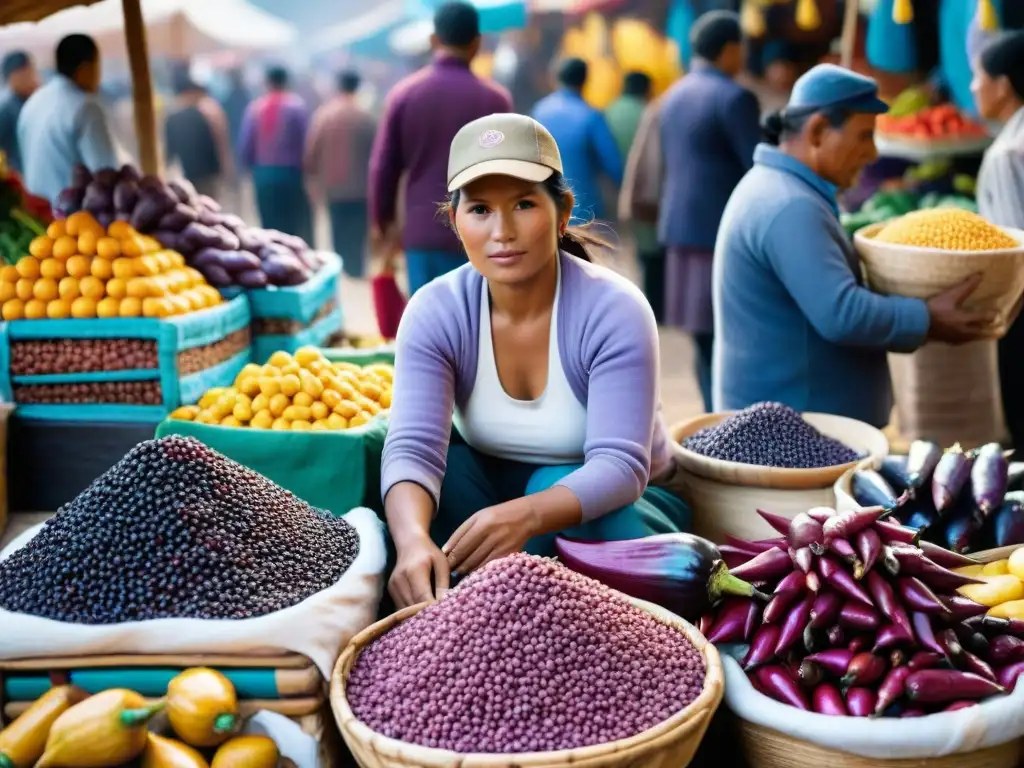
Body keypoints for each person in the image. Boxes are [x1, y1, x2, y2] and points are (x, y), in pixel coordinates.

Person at [381, 113, 690, 608]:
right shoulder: (435, 311)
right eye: (480, 210)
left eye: (524, 204)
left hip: (624, 510)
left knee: (551, 485)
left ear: (562, 210)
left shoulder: (612, 310)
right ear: (455, 222)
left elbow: (621, 466)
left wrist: (525, 516)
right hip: (500, 492)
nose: (502, 231)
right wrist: (412, 541)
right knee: (425, 493)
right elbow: (413, 447)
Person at [714, 64, 996, 428]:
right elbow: (841, 314)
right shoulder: (790, 205)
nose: (873, 152)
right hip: (796, 435)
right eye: (864, 136)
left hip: (800, 425)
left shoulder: (783, 190)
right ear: (817, 131)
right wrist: (927, 318)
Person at [369, 1, 512, 296]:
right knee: (479, 327)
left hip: (422, 232)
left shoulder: (405, 95)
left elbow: (383, 168)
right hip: (484, 233)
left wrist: (383, 223)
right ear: (477, 43)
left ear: (434, 40)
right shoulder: (496, 101)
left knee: (430, 327)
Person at [658, 11, 761, 413]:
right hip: (718, 231)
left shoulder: (674, 94)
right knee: (731, 335)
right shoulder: (734, 97)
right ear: (732, 50)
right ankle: (730, 420)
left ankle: (712, 417)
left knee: (703, 337)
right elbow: (759, 166)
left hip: (681, 229)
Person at [971, 31, 1024, 448]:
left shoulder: (1008, 153)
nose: (973, 87)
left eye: (978, 75)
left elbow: (1014, 251)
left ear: (1003, 85)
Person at [18, 35, 117, 204]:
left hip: (37, 219)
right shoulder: (86, 108)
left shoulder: (32, 103)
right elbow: (106, 175)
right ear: (85, 68)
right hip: (74, 223)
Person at [305, 69, 377, 278]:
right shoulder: (365, 117)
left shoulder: (323, 115)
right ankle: (356, 268)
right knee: (357, 230)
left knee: (338, 228)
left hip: (333, 188)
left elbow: (311, 153)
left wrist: (313, 181)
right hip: (361, 187)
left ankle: (344, 268)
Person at [531, 58, 623, 223]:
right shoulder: (591, 116)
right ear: (585, 80)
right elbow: (613, 164)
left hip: (544, 206)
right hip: (584, 210)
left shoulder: (539, 112)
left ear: (556, 78)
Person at [238, 66, 313, 244]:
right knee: (291, 226)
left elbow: (246, 145)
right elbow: (306, 143)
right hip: (291, 175)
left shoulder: (255, 108)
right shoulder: (297, 107)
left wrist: (246, 170)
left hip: (263, 176)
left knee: (269, 227)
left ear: (267, 82)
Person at [164, 70, 232, 199]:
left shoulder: (172, 118)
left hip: (186, 174)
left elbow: (169, 151)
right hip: (207, 174)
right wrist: (224, 168)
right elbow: (217, 144)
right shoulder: (205, 116)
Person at [0, 52, 38, 173]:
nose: (34, 78)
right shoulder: (6, 110)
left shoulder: (32, 102)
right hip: (19, 178)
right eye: (29, 73)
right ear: (14, 76)